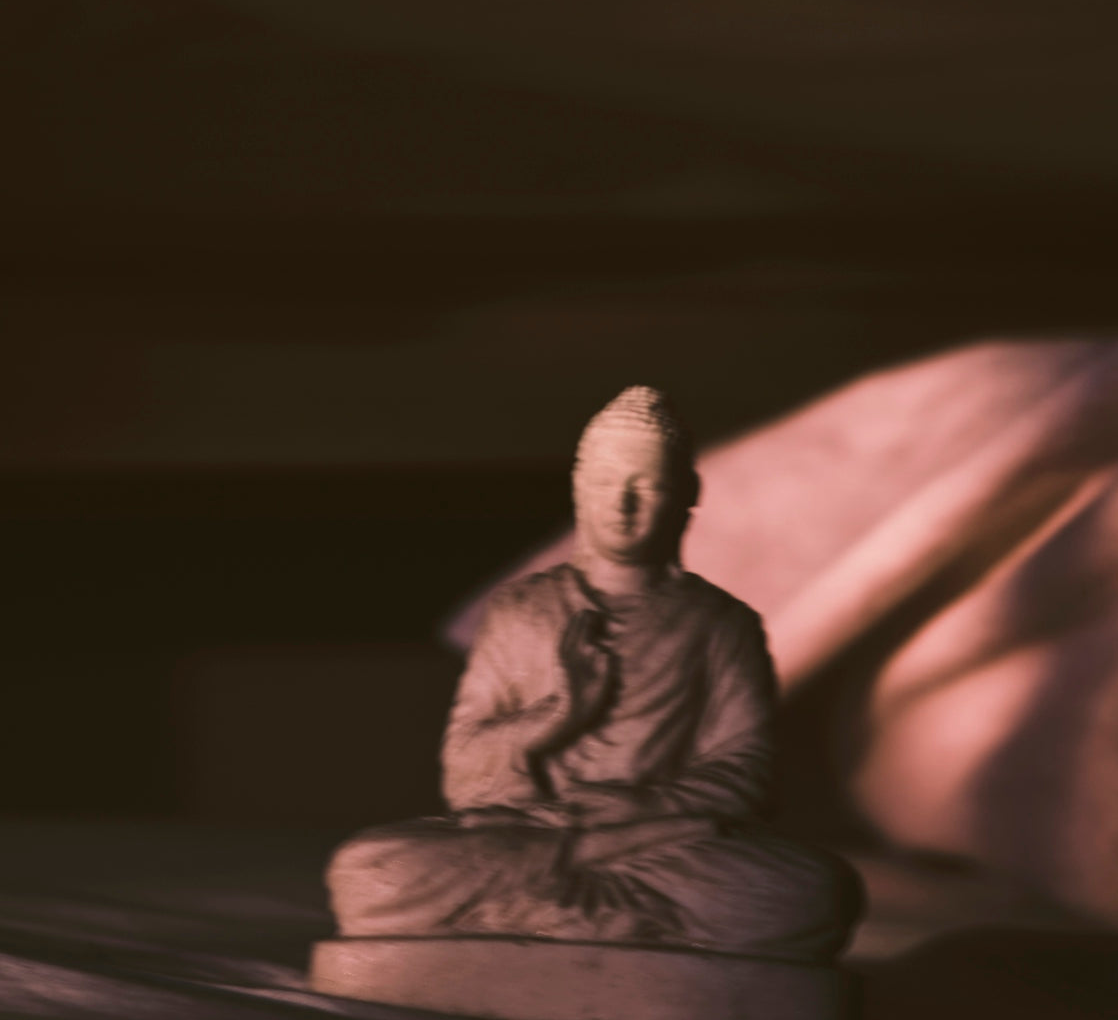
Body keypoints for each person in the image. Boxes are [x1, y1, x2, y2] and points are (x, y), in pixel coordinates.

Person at [327, 386, 861, 959]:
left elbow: (743, 771)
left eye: (645, 487)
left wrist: (634, 810)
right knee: (369, 870)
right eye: (605, 483)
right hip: (528, 830)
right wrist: (557, 716)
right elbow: (464, 769)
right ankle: (614, 913)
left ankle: (533, 911)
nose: (622, 505)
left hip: (656, 841)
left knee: (814, 889)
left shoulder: (719, 622)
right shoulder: (521, 610)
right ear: (579, 489)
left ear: (687, 495)